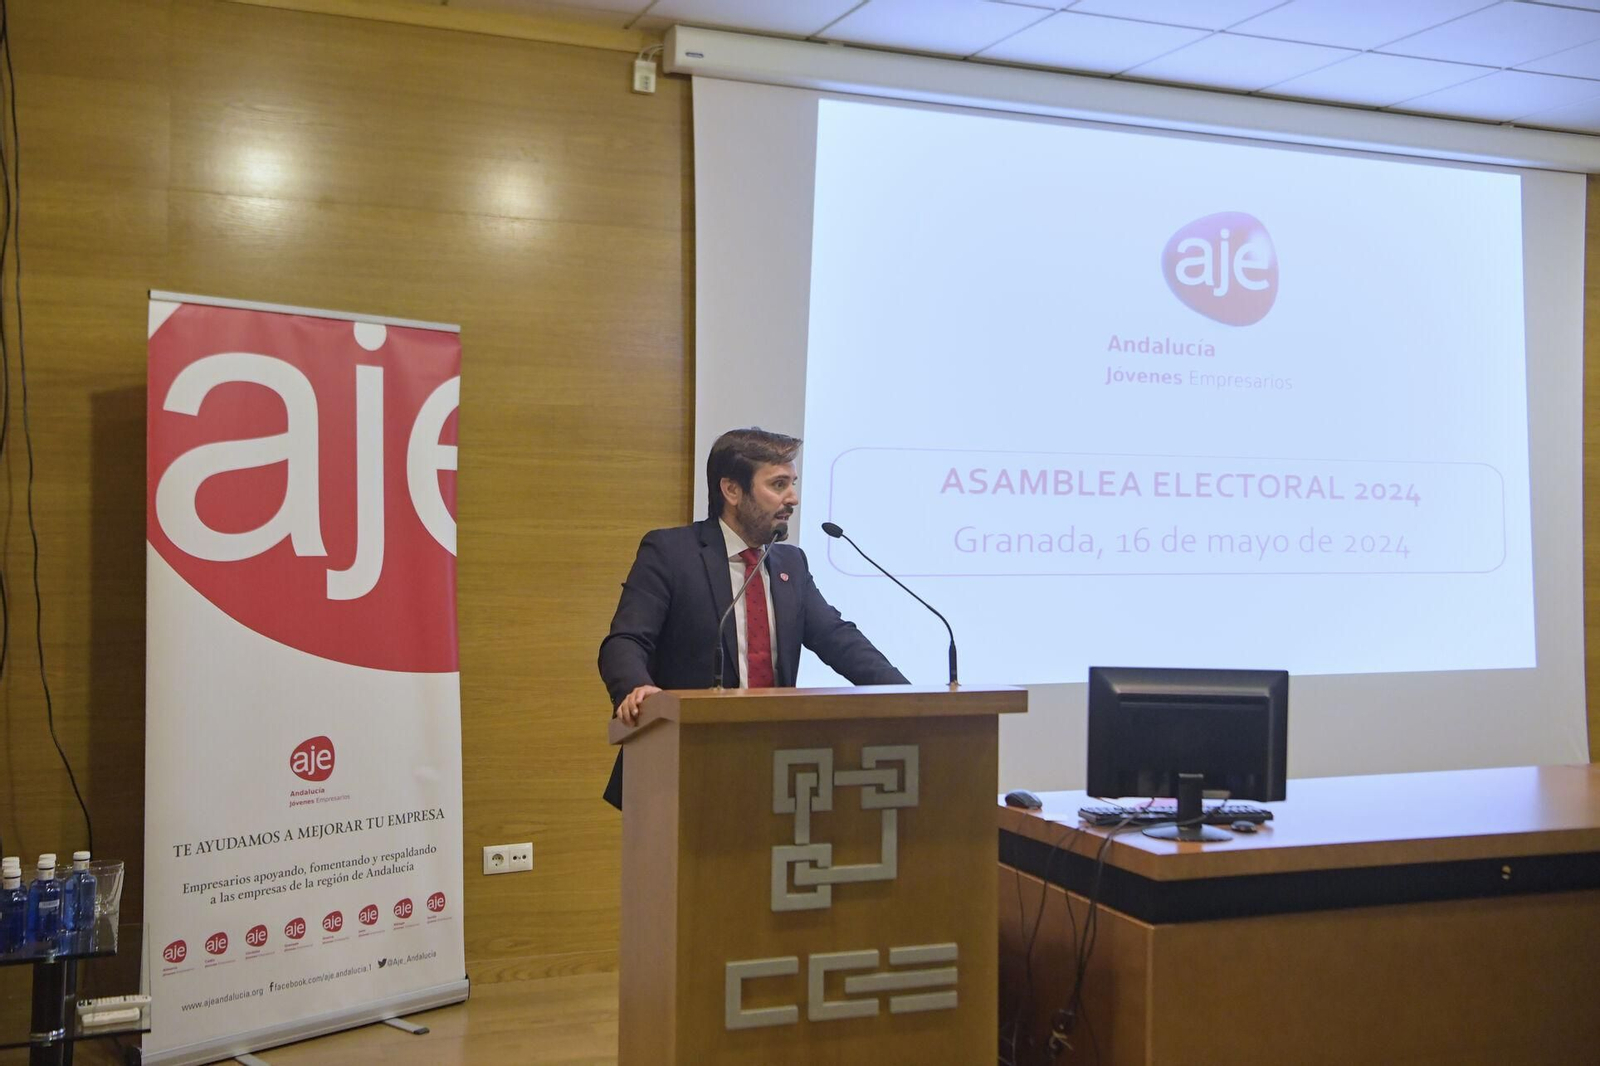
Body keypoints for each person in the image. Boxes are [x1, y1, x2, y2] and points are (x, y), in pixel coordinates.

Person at [599, 427, 907, 808]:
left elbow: (838, 639)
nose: (792, 498)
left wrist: (910, 695)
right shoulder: (671, 553)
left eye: (792, 483)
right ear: (732, 491)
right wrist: (637, 686)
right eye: (778, 484)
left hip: (775, 767)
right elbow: (626, 640)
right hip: (680, 764)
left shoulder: (789, 563)